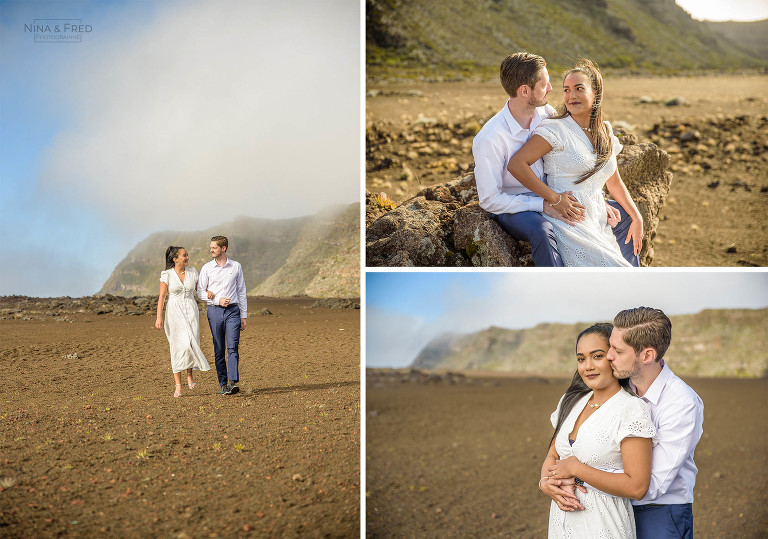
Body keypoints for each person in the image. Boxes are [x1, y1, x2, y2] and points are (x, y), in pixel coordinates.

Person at [472, 52, 639, 267]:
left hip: (556, 195)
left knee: (622, 214)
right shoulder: (490, 138)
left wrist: (596, 199)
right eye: (544, 84)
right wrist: (547, 202)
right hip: (514, 205)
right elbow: (489, 199)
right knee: (542, 230)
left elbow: (569, 155)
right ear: (525, 91)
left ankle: (632, 271)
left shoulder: (546, 113)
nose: (552, 89)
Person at [541, 323, 657, 538]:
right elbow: (553, 455)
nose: (587, 366)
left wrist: (577, 470)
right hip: (561, 524)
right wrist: (545, 483)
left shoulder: (631, 410)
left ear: (613, 357)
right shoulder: (570, 401)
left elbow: (637, 486)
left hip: (605, 525)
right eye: (581, 359)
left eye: (597, 356)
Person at [607, 307, 704, 539]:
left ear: (647, 355)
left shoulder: (682, 403)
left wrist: (585, 478)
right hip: (613, 507)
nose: (609, 355)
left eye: (617, 350)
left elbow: (654, 485)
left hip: (661, 512)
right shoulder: (617, 387)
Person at [155, 246, 210, 398]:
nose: (187, 257)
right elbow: (162, 297)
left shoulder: (193, 272)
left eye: (187, 255)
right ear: (175, 259)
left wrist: (209, 293)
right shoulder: (167, 275)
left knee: (192, 343)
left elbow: (200, 291)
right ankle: (178, 385)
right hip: (174, 312)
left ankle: (190, 375)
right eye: (184, 255)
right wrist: (159, 317)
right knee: (178, 346)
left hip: (191, 310)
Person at [197, 236, 247, 395]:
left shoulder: (236, 266)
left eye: (214, 248)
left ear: (223, 248)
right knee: (219, 348)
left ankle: (232, 382)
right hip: (214, 312)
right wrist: (218, 299)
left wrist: (243, 316)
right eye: (211, 247)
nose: (211, 250)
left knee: (233, 346)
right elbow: (200, 292)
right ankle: (223, 384)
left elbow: (241, 292)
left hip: (233, 312)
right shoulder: (206, 268)